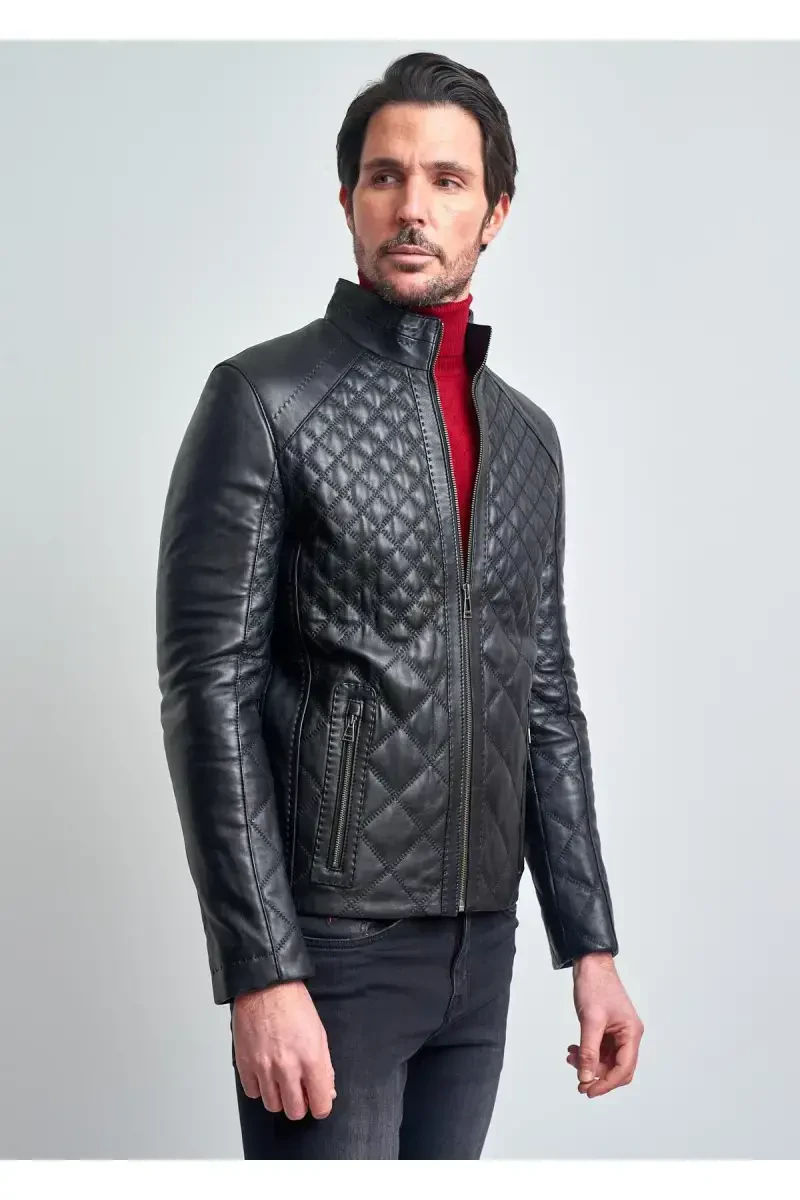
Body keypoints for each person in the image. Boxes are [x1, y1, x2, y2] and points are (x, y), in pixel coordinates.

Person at [155, 49, 644, 1160]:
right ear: (348, 201)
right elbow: (206, 695)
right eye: (385, 177)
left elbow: (545, 697)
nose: (411, 206)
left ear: (495, 211)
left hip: (483, 948)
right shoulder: (264, 400)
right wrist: (262, 969)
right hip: (332, 949)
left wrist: (592, 948)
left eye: (446, 179)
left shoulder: (527, 439)